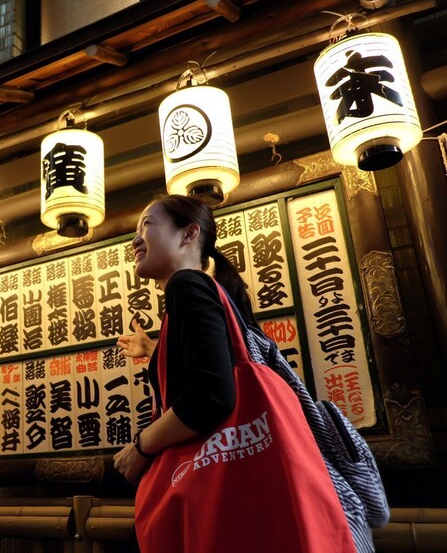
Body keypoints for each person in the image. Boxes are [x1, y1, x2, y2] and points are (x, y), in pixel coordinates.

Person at [113, 195, 355, 552]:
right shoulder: (206, 290)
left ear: (188, 233)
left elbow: (211, 395)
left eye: (147, 225)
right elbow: (215, 368)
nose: (135, 240)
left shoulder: (186, 285)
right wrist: (154, 352)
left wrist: (140, 448)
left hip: (214, 498)